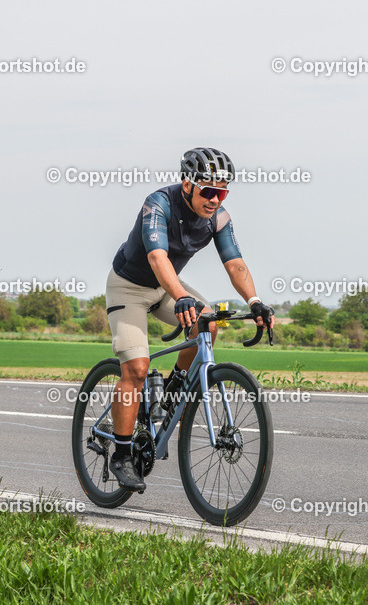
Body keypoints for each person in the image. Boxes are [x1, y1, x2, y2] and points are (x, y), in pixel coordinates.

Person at [104, 148, 274, 491]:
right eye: (208, 191)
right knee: (135, 370)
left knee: (209, 322)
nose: (214, 199)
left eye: (222, 192)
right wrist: (181, 295)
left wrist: (254, 302)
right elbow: (156, 255)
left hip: (170, 288)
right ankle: (121, 454)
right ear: (187, 184)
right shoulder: (159, 204)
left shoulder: (219, 218)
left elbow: (235, 263)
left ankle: (174, 387)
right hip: (130, 287)